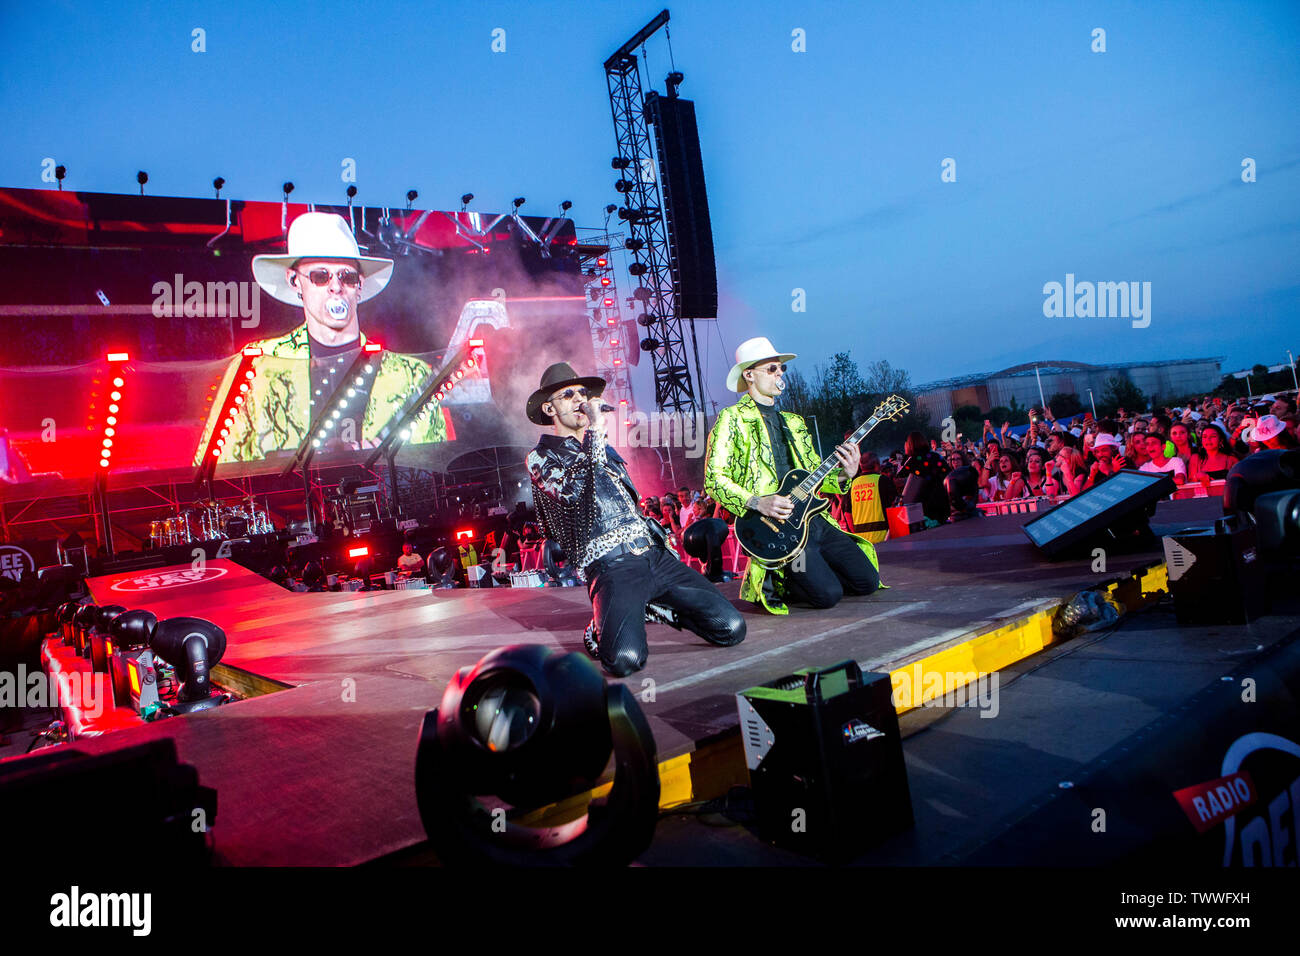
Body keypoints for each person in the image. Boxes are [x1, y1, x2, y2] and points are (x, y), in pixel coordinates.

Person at [526, 362, 745, 676]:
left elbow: (630, 504)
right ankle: (603, 625)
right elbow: (573, 493)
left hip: (653, 556)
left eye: (582, 393)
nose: (579, 400)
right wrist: (596, 432)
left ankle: (649, 604)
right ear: (549, 408)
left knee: (732, 627)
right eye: (567, 395)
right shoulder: (541, 457)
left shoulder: (605, 448)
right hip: (612, 565)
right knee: (625, 660)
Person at [194, 212, 447, 464]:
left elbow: (434, 471)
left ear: (359, 285)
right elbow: (214, 472)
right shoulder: (258, 365)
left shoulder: (411, 376)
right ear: (294, 281)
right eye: (320, 276)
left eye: (346, 277)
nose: (335, 287)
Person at [704, 336, 881, 614]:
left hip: (813, 517)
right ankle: (783, 578)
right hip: (775, 526)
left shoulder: (795, 422)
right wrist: (757, 502)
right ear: (749, 375)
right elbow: (714, 479)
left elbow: (814, 473)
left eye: (782, 368)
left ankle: (811, 573)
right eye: (772, 369)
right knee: (828, 596)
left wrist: (847, 475)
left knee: (868, 581)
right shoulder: (731, 419)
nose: (780, 374)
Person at [846, 451, 893, 542]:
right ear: (876, 465)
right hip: (883, 536)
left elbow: (847, 514)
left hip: (862, 539)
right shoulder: (883, 480)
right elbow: (894, 508)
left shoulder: (853, 484)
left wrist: (856, 534)